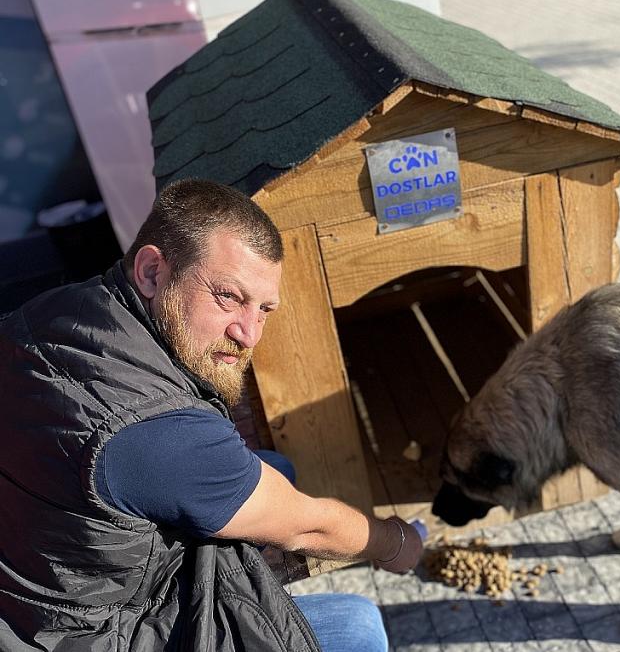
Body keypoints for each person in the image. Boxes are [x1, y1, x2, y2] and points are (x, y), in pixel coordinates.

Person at [0, 178, 423, 651]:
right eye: (228, 296)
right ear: (152, 271)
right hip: (88, 634)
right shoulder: (154, 430)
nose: (249, 334)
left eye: (264, 309)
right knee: (357, 627)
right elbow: (307, 524)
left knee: (273, 469)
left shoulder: (57, 312)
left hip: (38, 588)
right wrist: (396, 543)